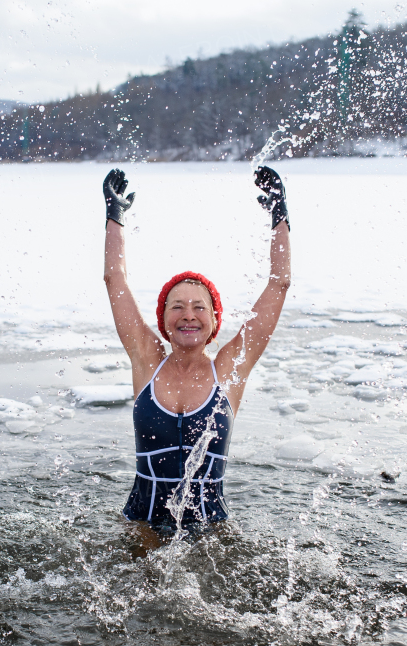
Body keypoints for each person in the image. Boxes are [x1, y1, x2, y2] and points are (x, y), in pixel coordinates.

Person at [101, 166, 292, 529]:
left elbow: (279, 284)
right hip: (142, 525)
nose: (188, 315)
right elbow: (115, 279)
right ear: (164, 321)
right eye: (177, 307)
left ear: (214, 322)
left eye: (199, 307)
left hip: (211, 531)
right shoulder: (147, 359)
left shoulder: (229, 369)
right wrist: (115, 217)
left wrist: (279, 216)